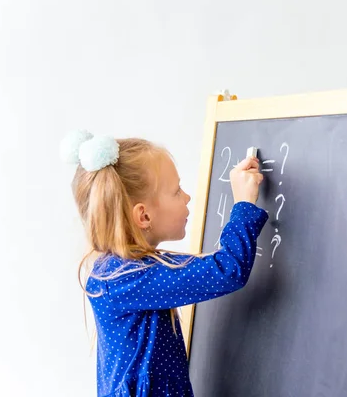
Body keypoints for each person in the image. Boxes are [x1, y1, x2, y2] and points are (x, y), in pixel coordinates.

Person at [59, 130, 268, 396]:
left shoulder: (121, 270)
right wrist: (243, 204)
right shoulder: (129, 278)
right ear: (144, 216)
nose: (187, 197)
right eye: (176, 191)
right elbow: (228, 270)